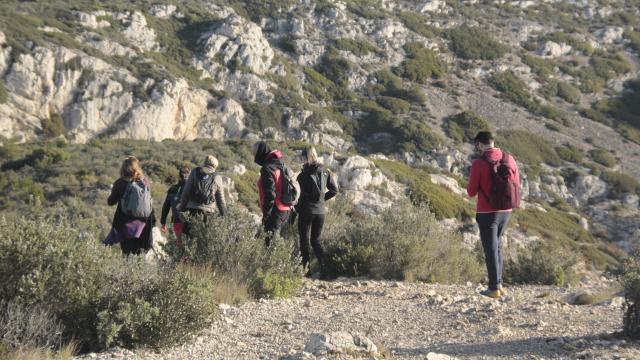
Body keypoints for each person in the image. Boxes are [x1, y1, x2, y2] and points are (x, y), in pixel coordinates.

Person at [467, 131, 520, 299]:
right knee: (497, 247)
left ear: (481, 144)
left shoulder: (479, 163)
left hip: (487, 212)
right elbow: (516, 182)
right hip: (506, 211)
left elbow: (471, 191)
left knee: (490, 249)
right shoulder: (509, 158)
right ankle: (499, 284)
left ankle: (493, 288)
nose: (477, 149)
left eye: (477, 146)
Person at [295, 146, 338, 279]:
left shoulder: (302, 175)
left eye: (302, 157)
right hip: (320, 212)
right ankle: (325, 271)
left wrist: (295, 209)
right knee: (316, 240)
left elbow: (301, 197)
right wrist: (321, 200)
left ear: (306, 157)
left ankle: (307, 272)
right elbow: (334, 190)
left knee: (304, 240)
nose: (301, 160)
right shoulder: (325, 171)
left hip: (306, 211)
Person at [106, 156, 155, 256]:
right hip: (143, 226)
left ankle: (128, 271)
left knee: (127, 256)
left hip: (126, 226)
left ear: (123, 168)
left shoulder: (120, 183)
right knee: (140, 256)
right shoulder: (145, 182)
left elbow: (110, 202)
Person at [253, 141, 294, 246]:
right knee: (273, 241)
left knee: (270, 243)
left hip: (275, 209)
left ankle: (276, 262)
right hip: (286, 209)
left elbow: (270, 194)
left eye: (254, 153)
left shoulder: (268, 168)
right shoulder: (279, 162)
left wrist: (267, 214)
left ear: (260, 153)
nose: (254, 157)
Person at [177, 155, 226, 237]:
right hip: (208, 214)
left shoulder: (195, 171)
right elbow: (221, 200)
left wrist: (181, 209)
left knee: (188, 239)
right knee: (204, 240)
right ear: (215, 166)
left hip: (191, 211)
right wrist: (224, 215)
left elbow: (186, 192)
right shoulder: (217, 177)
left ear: (205, 162)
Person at [160, 166, 190, 244]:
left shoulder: (173, 189)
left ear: (179, 176)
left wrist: (163, 223)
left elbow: (165, 207)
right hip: (191, 222)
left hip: (177, 221)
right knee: (191, 246)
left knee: (180, 245)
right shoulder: (192, 188)